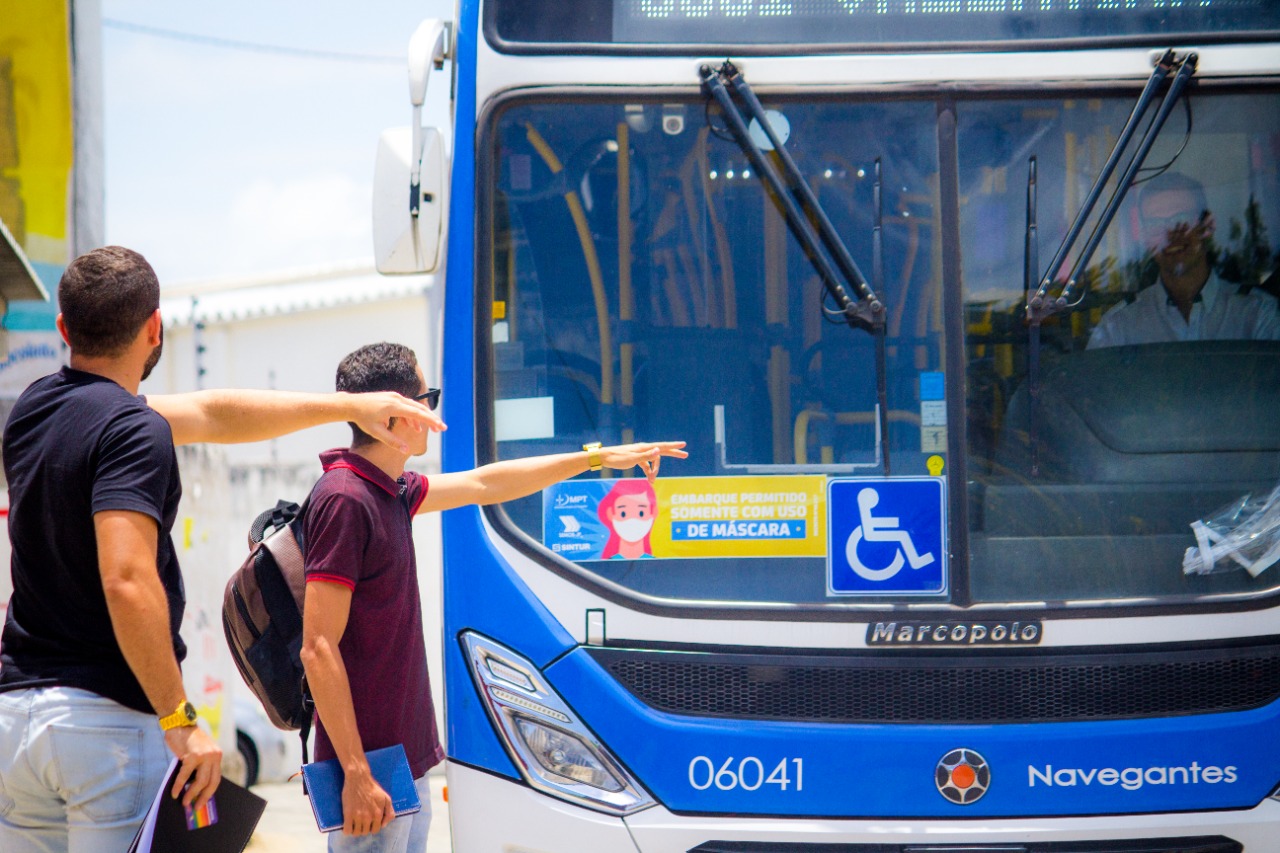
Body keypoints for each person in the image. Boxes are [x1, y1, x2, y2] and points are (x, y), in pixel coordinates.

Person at [0, 247, 440, 853]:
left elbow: (213, 412)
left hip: (17, 721)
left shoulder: (32, 412)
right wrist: (180, 720)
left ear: (63, 329)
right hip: (102, 732)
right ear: (155, 327)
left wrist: (347, 407)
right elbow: (127, 580)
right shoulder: (133, 428)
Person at [299, 342, 686, 852]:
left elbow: (486, 484)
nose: (433, 410)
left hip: (399, 762)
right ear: (391, 417)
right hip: (368, 770)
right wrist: (354, 772)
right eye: (427, 397)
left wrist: (596, 458)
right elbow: (318, 646)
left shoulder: (388, 489)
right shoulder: (346, 499)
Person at [1088, 173, 1280, 349]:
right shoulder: (1118, 327)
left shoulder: (1258, 315)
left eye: (1182, 220)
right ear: (1144, 235)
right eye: (1155, 223)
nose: (1170, 235)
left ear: (1207, 226)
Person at [597, 478, 658, 559]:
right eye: (623, 514)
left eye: (641, 513)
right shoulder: (608, 564)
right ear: (610, 514)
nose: (632, 521)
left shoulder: (655, 563)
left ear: (653, 512)